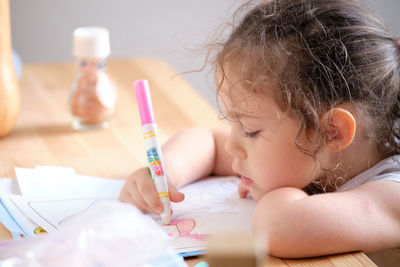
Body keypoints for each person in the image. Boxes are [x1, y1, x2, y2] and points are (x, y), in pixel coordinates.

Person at [120, 0, 400, 258]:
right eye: (233, 123)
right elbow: (205, 141)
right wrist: (164, 173)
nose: (232, 145)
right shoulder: (316, 156)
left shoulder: (392, 195)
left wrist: (274, 196)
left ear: (332, 131)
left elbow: (278, 227)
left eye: (250, 130)